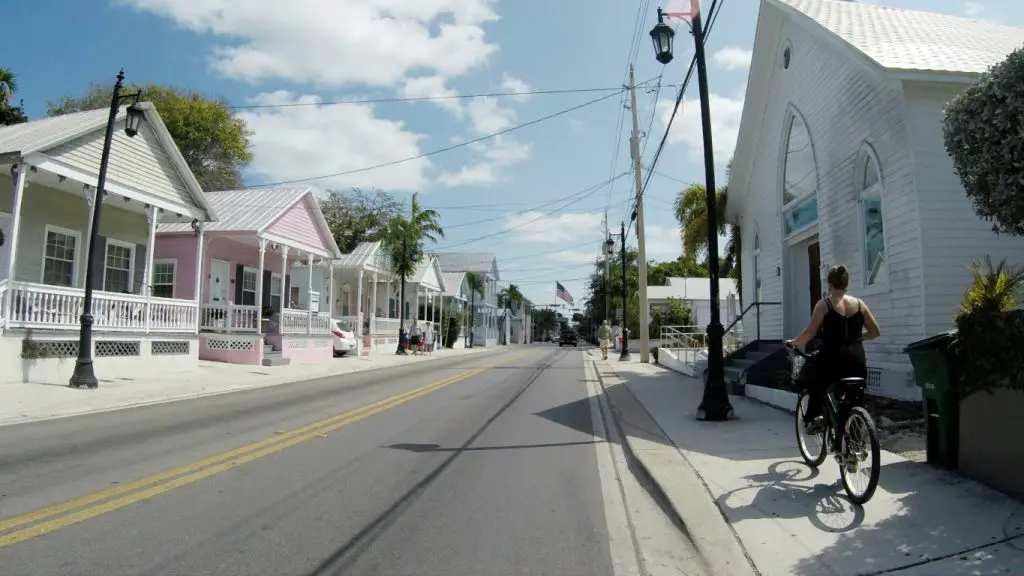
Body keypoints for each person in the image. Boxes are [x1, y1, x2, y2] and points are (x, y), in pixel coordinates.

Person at [785, 264, 881, 434]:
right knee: (855, 397)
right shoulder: (860, 304)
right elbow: (874, 332)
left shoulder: (824, 304)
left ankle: (815, 417)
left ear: (829, 283)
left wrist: (793, 342)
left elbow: (810, 332)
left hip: (832, 358)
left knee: (815, 380)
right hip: (857, 358)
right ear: (846, 283)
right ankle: (855, 437)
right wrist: (858, 338)